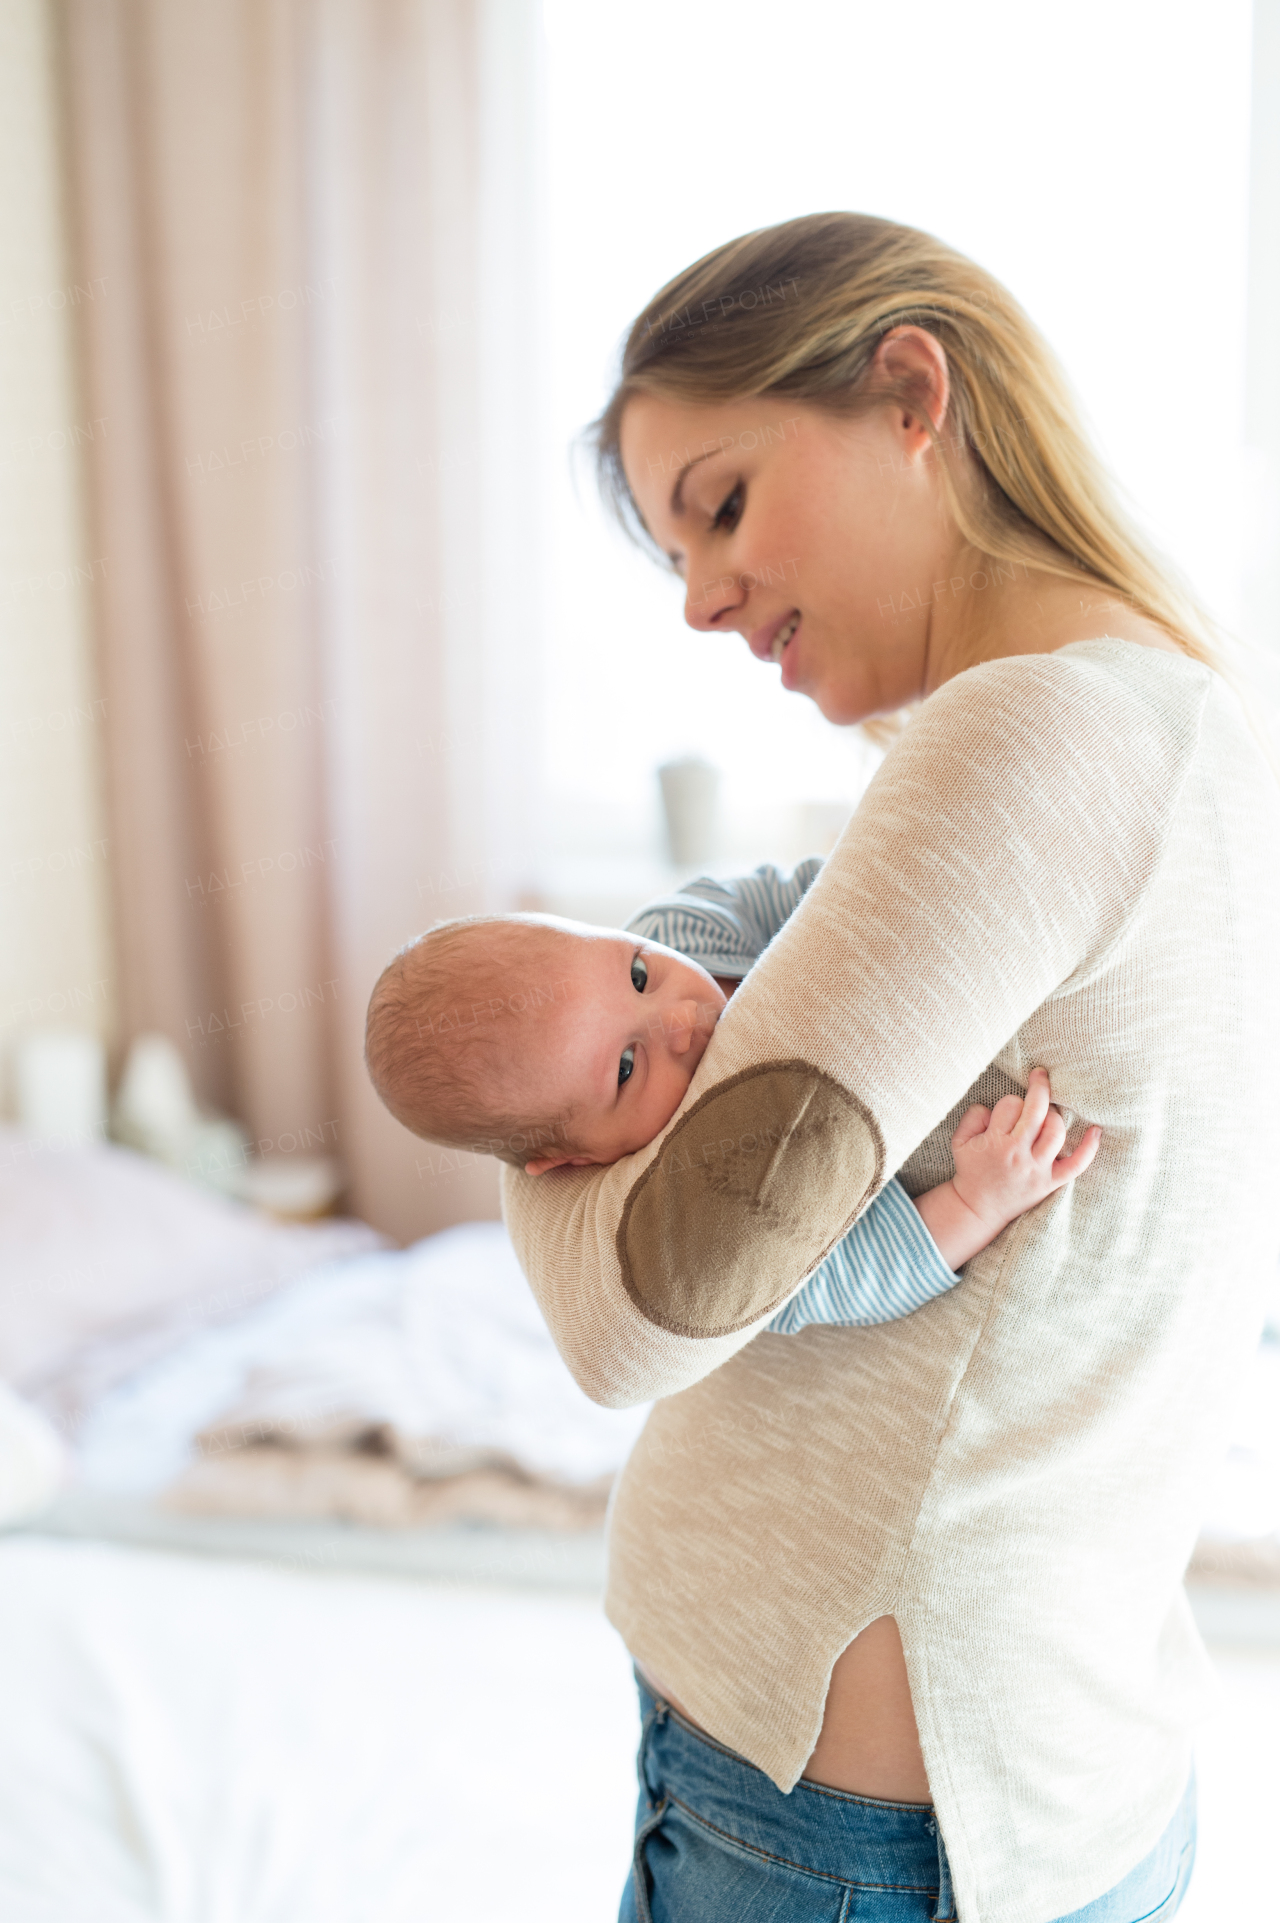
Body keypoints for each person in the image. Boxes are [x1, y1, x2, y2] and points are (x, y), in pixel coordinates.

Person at [497, 212, 1280, 1923]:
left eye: (719, 502)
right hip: (1015, 1757)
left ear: (909, 388)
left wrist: (543, 1083)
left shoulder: (1024, 738)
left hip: (843, 1808)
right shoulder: (1177, 716)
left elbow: (633, 1308)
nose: (699, 598)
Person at [363, 880, 1099, 1293]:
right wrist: (979, 1199)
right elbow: (842, 1277)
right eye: (626, 1066)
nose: (680, 1019)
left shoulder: (691, 929)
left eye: (637, 973)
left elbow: (848, 878)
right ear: (571, 1159)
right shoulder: (690, 1196)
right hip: (972, 1148)